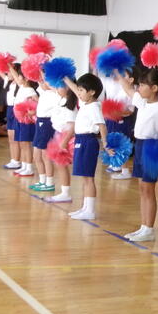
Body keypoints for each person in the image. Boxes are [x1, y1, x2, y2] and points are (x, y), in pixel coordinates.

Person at [119, 69, 158, 242]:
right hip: (139, 146)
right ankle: (144, 226)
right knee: (142, 189)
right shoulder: (142, 103)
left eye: (143, 85)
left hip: (150, 148)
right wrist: (116, 70)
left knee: (148, 189)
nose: (139, 88)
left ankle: (149, 229)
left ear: (154, 88)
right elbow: (127, 88)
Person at [64, 73, 111, 220]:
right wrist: (64, 77)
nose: (78, 93)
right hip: (80, 140)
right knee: (85, 178)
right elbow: (74, 88)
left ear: (91, 92)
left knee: (89, 178)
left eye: (81, 90)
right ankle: (85, 208)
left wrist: (105, 143)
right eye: (78, 90)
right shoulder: (86, 103)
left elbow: (102, 126)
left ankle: (90, 211)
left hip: (88, 142)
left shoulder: (94, 107)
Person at [28, 76, 61, 192]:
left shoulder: (56, 94)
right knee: (36, 156)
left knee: (45, 156)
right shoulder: (44, 92)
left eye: (44, 81)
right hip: (39, 123)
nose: (41, 82)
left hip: (47, 124)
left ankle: (49, 182)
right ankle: (42, 181)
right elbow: (39, 79)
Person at [45, 85, 77, 203]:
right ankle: (64, 192)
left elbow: (72, 126)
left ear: (67, 88)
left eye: (59, 87)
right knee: (59, 165)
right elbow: (50, 86)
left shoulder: (70, 105)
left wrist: (64, 142)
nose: (57, 89)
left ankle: (65, 193)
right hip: (58, 134)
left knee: (62, 165)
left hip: (66, 137)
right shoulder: (62, 99)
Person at [101, 72, 136, 180]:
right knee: (113, 142)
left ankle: (125, 171)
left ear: (131, 79)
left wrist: (118, 113)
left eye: (124, 75)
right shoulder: (119, 88)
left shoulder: (131, 92)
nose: (120, 77)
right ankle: (117, 165)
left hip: (123, 121)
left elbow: (130, 111)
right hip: (112, 121)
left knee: (121, 144)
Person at [11, 62, 38, 178]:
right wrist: (9, 66)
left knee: (26, 144)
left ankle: (29, 168)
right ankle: (24, 165)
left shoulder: (31, 91)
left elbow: (38, 103)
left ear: (26, 78)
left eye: (20, 76)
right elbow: (16, 77)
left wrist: (31, 112)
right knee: (22, 143)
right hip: (19, 120)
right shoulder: (22, 86)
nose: (18, 77)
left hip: (26, 121)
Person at [0, 68, 21, 169]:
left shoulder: (20, 84)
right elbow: (0, 73)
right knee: (11, 138)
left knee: (15, 138)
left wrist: (9, 65)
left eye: (9, 72)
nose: (7, 73)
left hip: (15, 110)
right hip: (9, 110)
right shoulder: (10, 83)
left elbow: (15, 75)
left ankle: (17, 161)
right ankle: (13, 160)